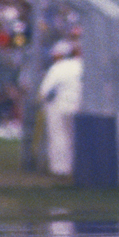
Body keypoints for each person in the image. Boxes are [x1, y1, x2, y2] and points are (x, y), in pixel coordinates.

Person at [37, 39, 84, 177]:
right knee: (76, 138)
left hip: (59, 107)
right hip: (81, 107)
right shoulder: (83, 65)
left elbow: (44, 91)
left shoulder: (57, 67)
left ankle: (61, 169)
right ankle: (77, 168)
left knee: (58, 138)